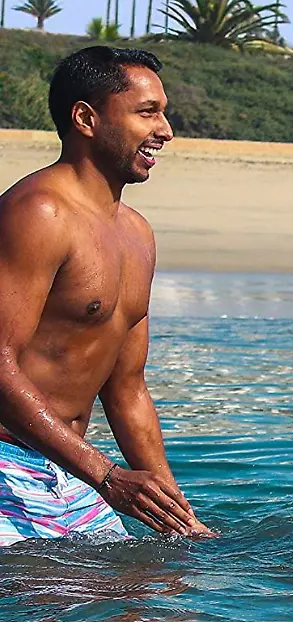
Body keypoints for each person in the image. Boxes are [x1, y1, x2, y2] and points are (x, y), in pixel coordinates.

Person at [0, 46, 210, 545]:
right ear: (86, 118)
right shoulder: (38, 213)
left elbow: (128, 388)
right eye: (147, 112)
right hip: (9, 460)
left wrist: (178, 515)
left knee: (145, 603)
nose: (166, 130)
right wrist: (107, 476)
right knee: (53, 614)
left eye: (163, 112)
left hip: (71, 467)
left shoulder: (138, 236)